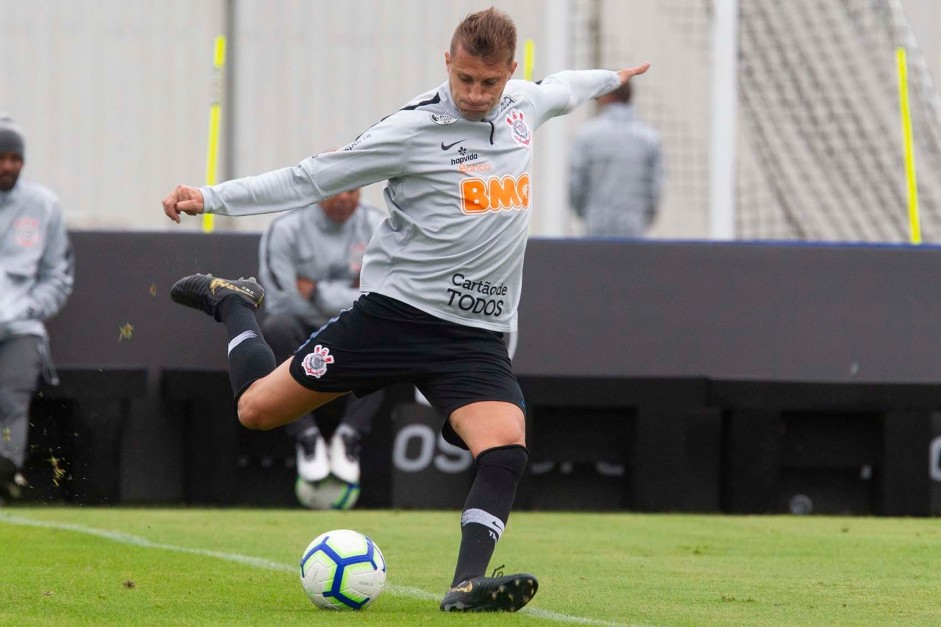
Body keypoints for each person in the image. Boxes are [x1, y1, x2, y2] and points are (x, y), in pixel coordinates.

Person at [163, 7, 648, 612]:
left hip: (473, 336)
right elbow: (309, 178)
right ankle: (232, 303)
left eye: (488, 82)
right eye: (464, 78)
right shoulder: (411, 131)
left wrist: (612, 75)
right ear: (448, 63)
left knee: (506, 447)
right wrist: (209, 197)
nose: (475, 94)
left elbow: (565, 88)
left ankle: (468, 582)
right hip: (393, 318)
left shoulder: (523, 105)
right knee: (256, 410)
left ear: (510, 73)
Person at [258, 187, 384, 487]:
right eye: (336, 189)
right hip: (301, 327)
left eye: (352, 190)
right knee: (277, 326)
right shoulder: (286, 228)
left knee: (384, 330)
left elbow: (384, 294)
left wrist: (316, 291)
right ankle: (306, 436)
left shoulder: (378, 226)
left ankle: (348, 436)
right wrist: (352, 293)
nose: (344, 197)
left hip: (354, 326)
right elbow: (281, 298)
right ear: (319, 189)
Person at [0, 114, 74, 502]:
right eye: (1, 157)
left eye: (15, 158)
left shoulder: (43, 206)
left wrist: (28, 309)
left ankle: (6, 471)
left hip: (20, 329)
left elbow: (58, 275)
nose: (8, 165)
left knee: (11, 399)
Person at [569, 81, 663, 237]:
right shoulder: (649, 138)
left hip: (596, 224)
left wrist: (584, 213)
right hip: (634, 226)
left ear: (606, 96)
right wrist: (645, 216)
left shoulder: (587, 136)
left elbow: (576, 183)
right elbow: (655, 187)